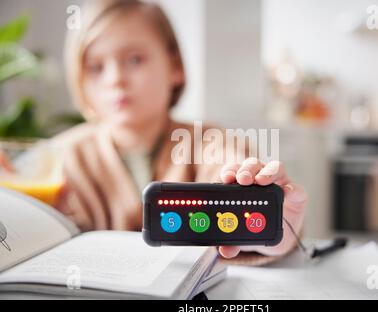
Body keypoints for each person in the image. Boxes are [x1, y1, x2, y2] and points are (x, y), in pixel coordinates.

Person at [1, 0, 307, 264]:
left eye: (134, 59)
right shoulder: (56, 158)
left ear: (175, 66)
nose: (115, 79)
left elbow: (251, 207)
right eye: (96, 67)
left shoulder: (215, 143)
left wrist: (270, 234)